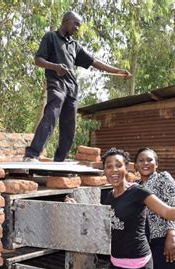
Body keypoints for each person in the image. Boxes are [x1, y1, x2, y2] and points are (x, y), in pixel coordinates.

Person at [24, 11, 131, 162]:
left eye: (79, 25)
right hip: (56, 84)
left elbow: (94, 61)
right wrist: (55, 67)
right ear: (66, 21)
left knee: (70, 126)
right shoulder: (51, 37)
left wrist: (117, 71)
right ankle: (32, 154)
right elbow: (38, 60)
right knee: (52, 113)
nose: (77, 28)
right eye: (76, 24)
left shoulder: (75, 45)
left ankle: (59, 161)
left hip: (72, 88)